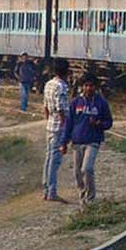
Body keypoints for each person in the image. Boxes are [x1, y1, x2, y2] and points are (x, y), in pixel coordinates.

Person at [61, 72, 113, 207]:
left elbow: (109, 122)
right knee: (77, 172)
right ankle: (82, 196)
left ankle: (91, 199)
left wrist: (98, 124)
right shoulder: (76, 102)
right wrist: (64, 142)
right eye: (86, 85)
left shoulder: (101, 103)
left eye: (91, 86)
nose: (89, 88)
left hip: (93, 141)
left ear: (95, 87)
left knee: (87, 168)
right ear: (82, 86)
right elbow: (69, 123)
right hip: (77, 142)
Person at [43, 59, 70, 202]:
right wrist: (65, 129)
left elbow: (45, 107)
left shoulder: (48, 84)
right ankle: (52, 192)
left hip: (50, 126)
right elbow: (61, 109)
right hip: (59, 127)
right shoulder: (62, 86)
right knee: (55, 161)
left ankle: (46, 190)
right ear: (66, 71)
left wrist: (48, 121)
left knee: (48, 159)